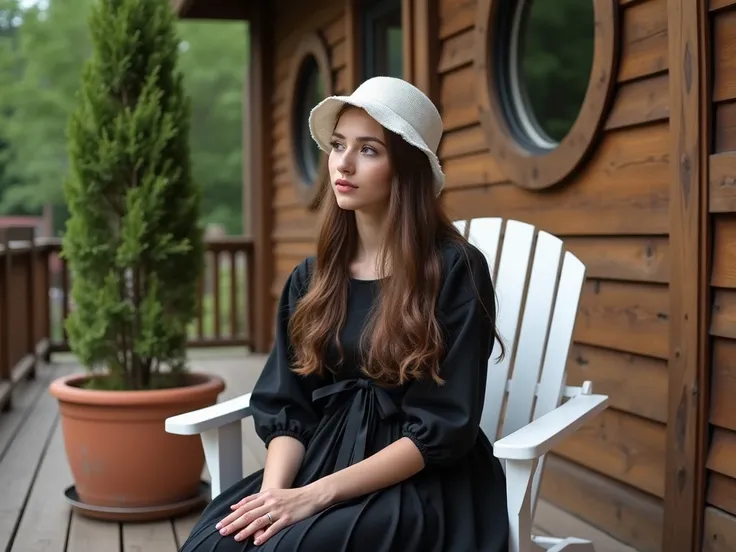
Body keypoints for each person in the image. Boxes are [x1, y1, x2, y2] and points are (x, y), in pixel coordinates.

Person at [180, 76, 509, 552]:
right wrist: (275, 496)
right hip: (324, 457)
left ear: (406, 169)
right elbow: (289, 404)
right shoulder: (313, 278)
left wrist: (313, 498)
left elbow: (444, 427)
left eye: (369, 150)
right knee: (215, 544)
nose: (344, 163)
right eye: (338, 145)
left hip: (420, 478)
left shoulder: (453, 269)